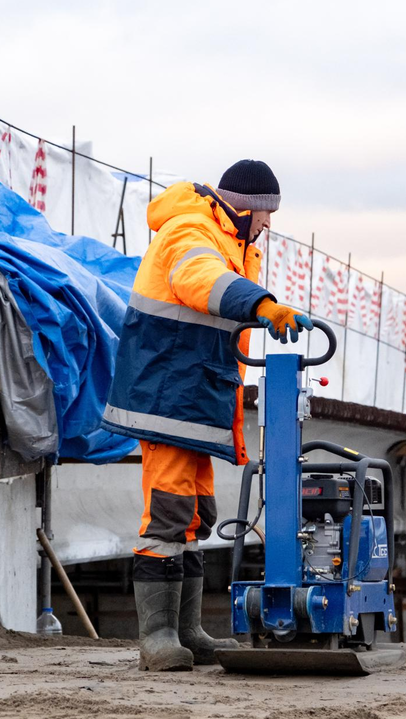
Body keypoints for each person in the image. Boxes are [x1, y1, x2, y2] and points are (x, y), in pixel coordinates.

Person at [102, 160, 313, 671]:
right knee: (167, 516)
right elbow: (201, 281)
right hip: (167, 395)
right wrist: (263, 305)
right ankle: (158, 637)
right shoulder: (191, 228)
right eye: (266, 215)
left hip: (196, 397)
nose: (267, 226)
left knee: (196, 514)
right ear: (245, 208)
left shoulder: (238, 244)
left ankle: (190, 631)